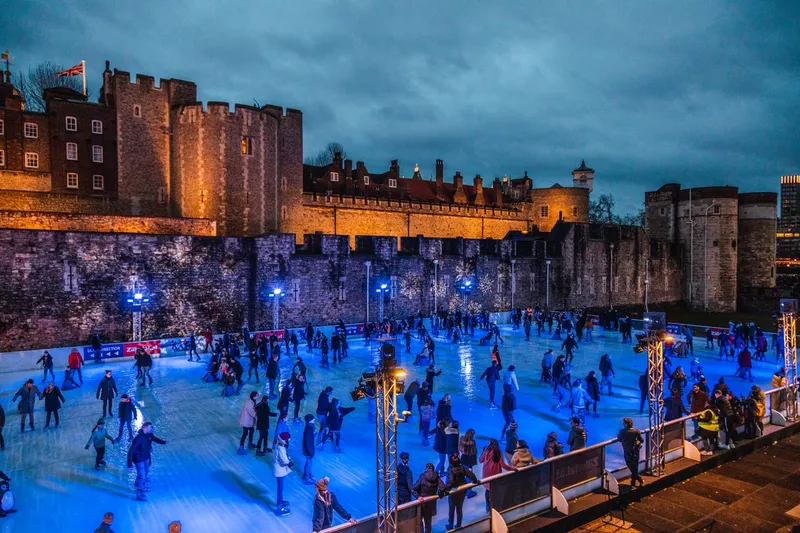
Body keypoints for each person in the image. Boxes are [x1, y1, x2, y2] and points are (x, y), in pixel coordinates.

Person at [127, 422, 167, 501]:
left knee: (146, 472)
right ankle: (139, 493)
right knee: (142, 476)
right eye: (150, 427)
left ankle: (137, 482)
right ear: (144, 428)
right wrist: (129, 464)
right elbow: (131, 450)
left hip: (146, 457)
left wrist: (163, 442)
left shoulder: (149, 435)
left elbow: (155, 439)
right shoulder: (138, 438)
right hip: (139, 459)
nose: (152, 429)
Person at [479, 438, 516, 513]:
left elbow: (480, 460)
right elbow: (503, 465)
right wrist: (512, 469)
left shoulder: (486, 451)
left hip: (487, 476)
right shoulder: (498, 452)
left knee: (488, 490)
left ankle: (488, 507)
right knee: (495, 492)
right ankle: (495, 507)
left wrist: (484, 451)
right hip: (495, 476)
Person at [445, 453, 479, 530]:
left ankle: (450, 525)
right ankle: (458, 524)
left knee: (451, 508)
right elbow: (471, 474)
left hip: (453, 491)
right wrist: (475, 481)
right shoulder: (462, 468)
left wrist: (446, 489)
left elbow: (450, 481)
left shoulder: (450, 470)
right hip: (462, 490)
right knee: (459, 508)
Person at [413, 463, 445, 533]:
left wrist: (418, 497)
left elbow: (414, 488)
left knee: (419, 521)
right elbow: (442, 487)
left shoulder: (423, 476)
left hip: (422, 503)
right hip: (431, 503)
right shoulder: (437, 476)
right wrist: (440, 494)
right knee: (428, 522)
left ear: (426, 469)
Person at [617, 417, 644, 488]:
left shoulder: (622, 431)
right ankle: (633, 481)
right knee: (635, 466)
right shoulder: (636, 431)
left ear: (625, 424)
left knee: (631, 466)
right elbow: (641, 440)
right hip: (636, 451)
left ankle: (638, 478)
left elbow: (619, 439)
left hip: (628, 451)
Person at [274, 431, 293, 516]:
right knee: (280, 488)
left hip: (279, 470)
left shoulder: (278, 445)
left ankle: (280, 501)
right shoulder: (281, 448)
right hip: (279, 471)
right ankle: (279, 508)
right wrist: (289, 462)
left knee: (280, 488)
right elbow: (284, 460)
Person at [302, 414, 317, 485]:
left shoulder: (310, 427)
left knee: (308, 463)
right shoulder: (309, 428)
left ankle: (306, 475)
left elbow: (313, 436)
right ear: (310, 420)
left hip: (308, 449)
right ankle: (307, 478)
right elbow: (307, 441)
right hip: (308, 450)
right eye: (313, 419)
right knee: (309, 463)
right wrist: (310, 452)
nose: (314, 420)